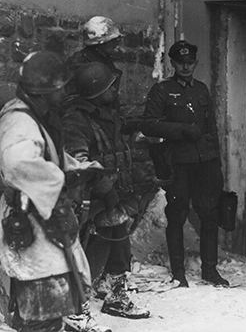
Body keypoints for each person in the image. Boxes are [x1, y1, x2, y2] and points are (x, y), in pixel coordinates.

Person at [0, 51, 101, 331]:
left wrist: (75, 166)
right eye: (62, 88)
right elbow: (17, 163)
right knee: (41, 309)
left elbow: (44, 153)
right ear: (44, 91)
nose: (66, 92)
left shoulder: (39, 114)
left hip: (44, 220)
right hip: (31, 222)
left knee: (50, 305)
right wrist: (57, 180)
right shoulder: (19, 121)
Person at [62, 62, 152, 319]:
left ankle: (116, 294)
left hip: (110, 194)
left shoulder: (106, 114)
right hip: (87, 197)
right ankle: (74, 308)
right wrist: (99, 185)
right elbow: (77, 161)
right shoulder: (76, 119)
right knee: (82, 252)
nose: (115, 90)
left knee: (119, 243)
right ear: (96, 90)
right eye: (110, 86)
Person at [140, 40, 229, 287]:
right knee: (177, 214)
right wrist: (181, 130)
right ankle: (178, 273)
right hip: (179, 163)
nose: (186, 67)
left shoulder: (201, 90)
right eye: (181, 63)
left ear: (195, 63)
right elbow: (149, 124)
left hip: (205, 162)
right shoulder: (162, 91)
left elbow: (211, 128)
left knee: (209, 214)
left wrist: (218, 164)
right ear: (173, 63)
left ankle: (210, 270)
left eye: (190, 63)